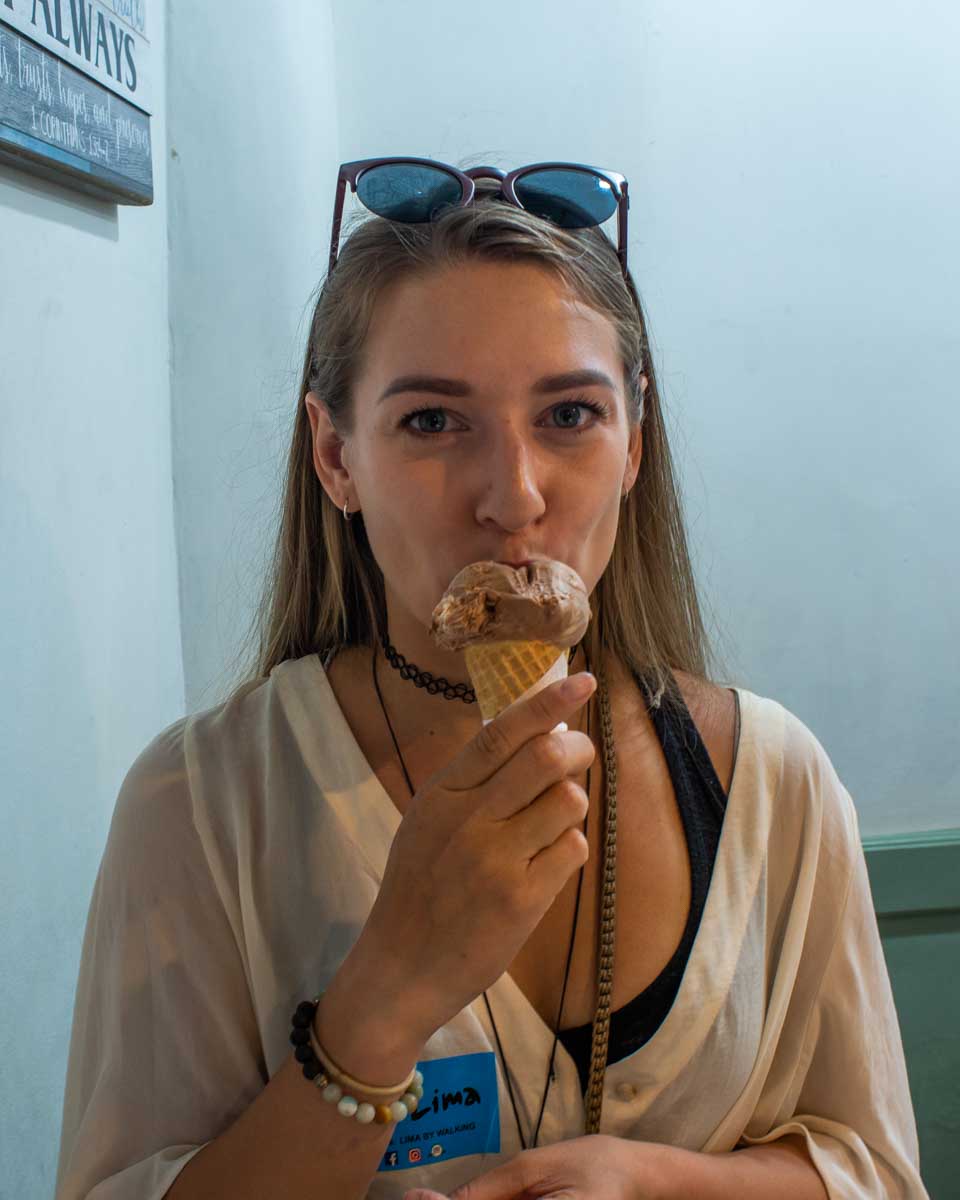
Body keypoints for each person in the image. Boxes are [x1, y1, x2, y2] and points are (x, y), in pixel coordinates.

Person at [54, 159, 928, 1200]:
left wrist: (648, 1181)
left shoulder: (776, 785)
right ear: (336, 455)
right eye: (431, 421)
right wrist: (386, 994)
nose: (512, 497)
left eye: (569, 415)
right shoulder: (198, 803)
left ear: (635, 442)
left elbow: (871, 1171)